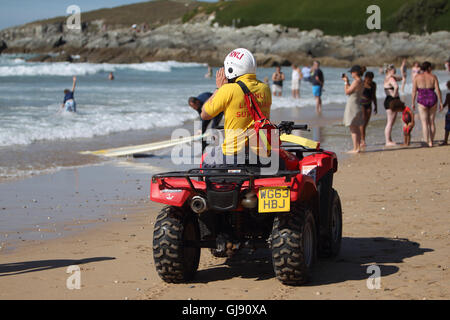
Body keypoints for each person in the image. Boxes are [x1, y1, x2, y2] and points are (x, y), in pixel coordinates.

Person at [201, 48, 271, 167]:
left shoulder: (228, 90)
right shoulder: (265, 88)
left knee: (206, 162)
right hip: (261, 154)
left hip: (234, 155)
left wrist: (219, 88)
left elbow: (205, 114)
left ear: (231, 69)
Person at [411, 61, 443, 147]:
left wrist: (412, 102)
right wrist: (441, 102)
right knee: (432, 122)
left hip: (422, 99)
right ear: (428, 68)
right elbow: (438, 89)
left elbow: (414, 91)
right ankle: (431, 141)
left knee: (424, 122)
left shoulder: (417, 77)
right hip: (432, 97)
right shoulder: (433, 77)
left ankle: (426, 141)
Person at [342, 65, 364, 153]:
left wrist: (345, 82)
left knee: (353, 126)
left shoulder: (356, 81)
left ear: (355, 72)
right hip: (357, 103)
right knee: (356, 126)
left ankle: (356, 148)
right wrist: (347, 82)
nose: (351, 73)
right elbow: (352, 90)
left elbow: (347, 92)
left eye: (352, 72)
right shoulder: (361, 81)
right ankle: (357, 146)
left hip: (352, 104)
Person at [383, 64, 405, 146]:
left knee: (391, 122)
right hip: (391, 100)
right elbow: (396, 87)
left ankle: (389, 139)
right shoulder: (391, 78)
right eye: (393, 69)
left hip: (388, 100)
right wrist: (394, 96)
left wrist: (393, 75)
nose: (395, 70)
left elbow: (401, 78)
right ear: (389, 70)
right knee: (390, 122)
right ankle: (387, 141)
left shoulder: (387, 78)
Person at [360, 71, 377, 147]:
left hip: (369, 104)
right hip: (361, 104)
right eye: (369, 79)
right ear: (365, 78)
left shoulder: (373, 84)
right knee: (362, 122)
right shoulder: (362, 83)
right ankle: (362, 140)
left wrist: (376, 106)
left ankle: (361, 138)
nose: (370, 81)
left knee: (365, 123)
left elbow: (374, 95)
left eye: (371, 79)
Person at [439, 81, 450, 145]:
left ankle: (445, 141)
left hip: (449, 113)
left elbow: (445, 104)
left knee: (447, 128)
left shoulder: (448, 95)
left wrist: (441, 107)